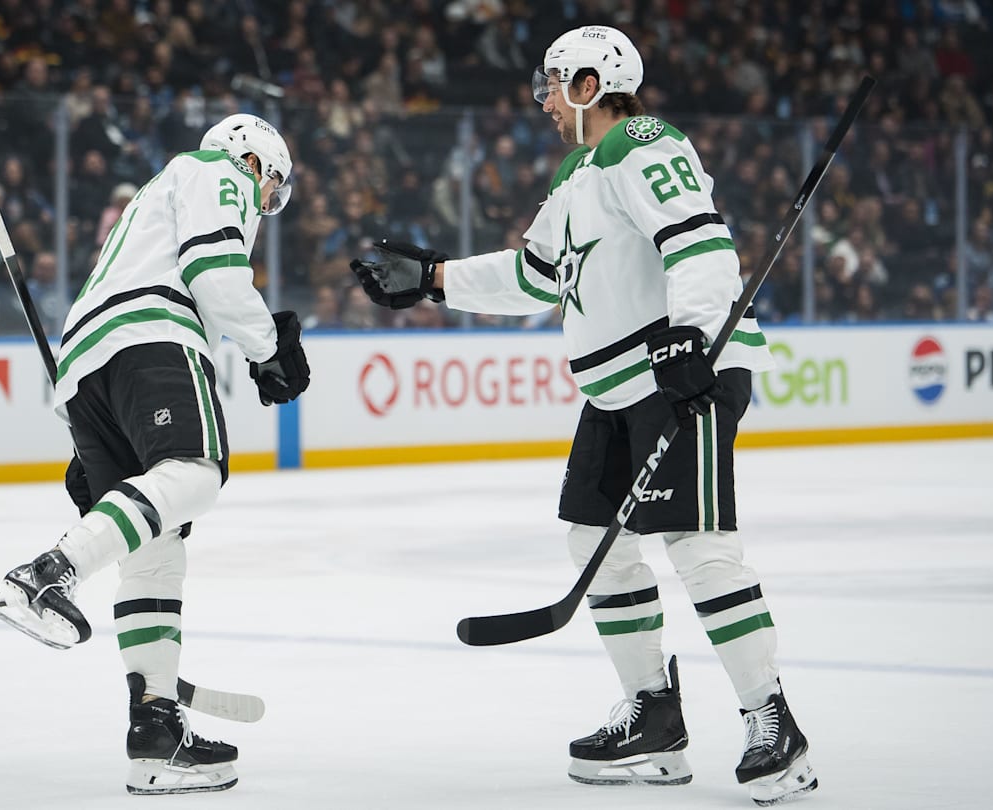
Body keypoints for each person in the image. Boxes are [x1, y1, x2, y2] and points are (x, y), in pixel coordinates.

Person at [349, 25, 816, 807]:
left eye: (553, 84)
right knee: (593, 540)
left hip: (673, 377)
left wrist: (693, 339)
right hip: (616, 391)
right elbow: (533, 278)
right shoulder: (578, 173)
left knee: (699, 546)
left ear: (591, 84)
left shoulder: (643, 140)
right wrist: (433, 278)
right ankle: (654, 718)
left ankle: (773, 722)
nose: (543, 101)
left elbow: (698, 239)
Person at [0, 113, 309, 795]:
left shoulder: (155, 198)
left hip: (88, 363)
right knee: (195, 471)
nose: (265, 205)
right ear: (256, 161)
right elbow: (215, 272)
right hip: (151, 335)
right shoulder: (218, 171)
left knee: (155, 546)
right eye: (272, 189)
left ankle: (156, 732)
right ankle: (48, 573)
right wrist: (270, 351)